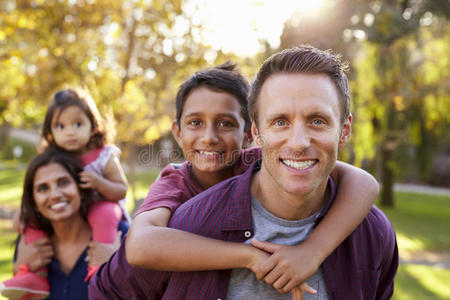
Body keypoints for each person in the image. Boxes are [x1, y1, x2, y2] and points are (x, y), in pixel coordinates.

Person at [91, 49, 397, 299]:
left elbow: (362, 181)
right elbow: (140, 249)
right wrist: (249, 256)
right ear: (258, 131)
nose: (299, 143)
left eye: (317, 120)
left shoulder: (371, 234)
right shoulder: (180, 204)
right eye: (280, 121)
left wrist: (312, 251)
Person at [1, 89, 128, 297]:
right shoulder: (32, 242)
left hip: (103, 213)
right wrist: (22, 268)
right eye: (42, 188)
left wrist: (117, 267)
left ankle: (97, 271)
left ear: (79, 184)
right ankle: (33, 278)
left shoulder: (119, 238)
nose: (54, 194)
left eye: (63, 182)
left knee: (106, 212)